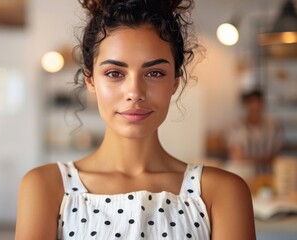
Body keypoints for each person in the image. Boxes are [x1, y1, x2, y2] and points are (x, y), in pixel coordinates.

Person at [15, 0, 256, 239]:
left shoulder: (222, 193)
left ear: (174, 82)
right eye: (114, 73)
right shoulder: (46, 188)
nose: (135, 92)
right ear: (90, 80)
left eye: (154, 73)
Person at [226, 90, 283, 176]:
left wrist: (248, 159)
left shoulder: (273, 127)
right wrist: (264, 160)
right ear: (246, 106)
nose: (255, 111)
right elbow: (237, 157)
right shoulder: (235, 127)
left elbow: (274, 156)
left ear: (263, 106)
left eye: (258, 108)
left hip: (268, 176)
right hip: (244, 176)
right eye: (252, 107)